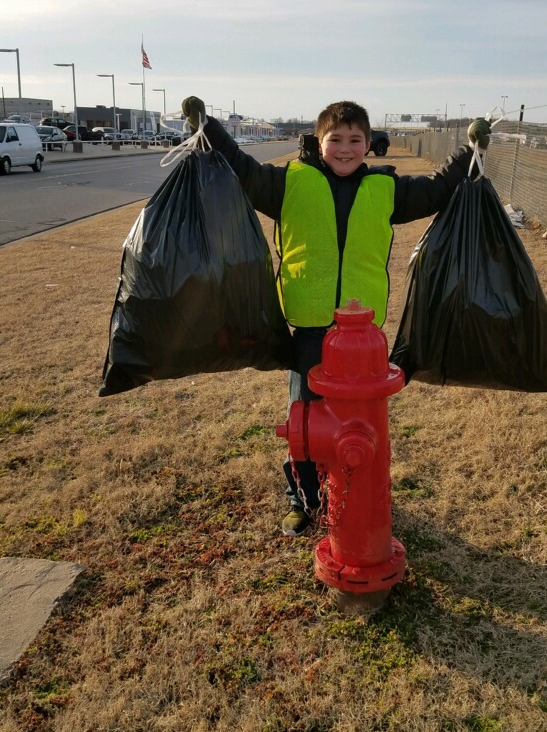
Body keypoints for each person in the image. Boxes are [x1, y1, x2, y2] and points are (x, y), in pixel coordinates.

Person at [181, 96, 491, 536]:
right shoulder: (288, 183)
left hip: (362, 336)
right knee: (305, 420)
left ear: (368, 144)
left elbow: (441, 187)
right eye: (335, 139)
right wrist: (207, 126)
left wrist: (472, 149)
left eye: (355, 140)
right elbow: (241, 168)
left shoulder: (387, 189)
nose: (345, 148)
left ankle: (355, 490)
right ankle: (303, 499)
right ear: (318, 141)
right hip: (310, 328)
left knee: (358, 423)